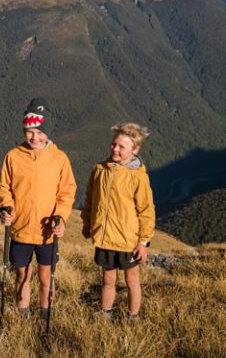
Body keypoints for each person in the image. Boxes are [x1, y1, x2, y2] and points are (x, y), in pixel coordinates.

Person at [0, 98, 77, 320]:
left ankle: (44, 313)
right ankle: (23, 313)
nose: (35, 137)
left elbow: (67, 191)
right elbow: (4, 186)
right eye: (30, 131)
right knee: (22, 275)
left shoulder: (59, 159)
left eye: (40, 131)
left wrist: (61, 216)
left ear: (48, 132)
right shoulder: (13, 156)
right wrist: (7, 206)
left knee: (45, 277)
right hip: (21, 228)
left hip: (47, 233)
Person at [81, 123, 155, 321]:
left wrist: (143, 242)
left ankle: (133, 317)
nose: (115, 149)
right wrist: (87, 224)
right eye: (114, 144)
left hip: (127, 241)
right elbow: (90, 199)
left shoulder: (137, 176)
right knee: (108, 278)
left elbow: (146, 210)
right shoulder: (99, 170)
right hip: (105, 238)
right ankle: (105, 314)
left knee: (132, 280)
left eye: (122, 147)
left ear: (135, 149)